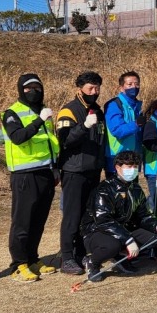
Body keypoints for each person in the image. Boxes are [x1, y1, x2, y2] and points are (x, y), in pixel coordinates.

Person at [81, 151, 157, 282]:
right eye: (129, 166)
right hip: (97, 230)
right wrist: (128, 240)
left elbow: (143, 214)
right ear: (118, 167)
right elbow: (103, 220)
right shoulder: (105, 189)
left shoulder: (136, 189)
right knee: (113, 245)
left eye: (135, 166)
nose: (133, 170)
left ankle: (120, 257)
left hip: (123, 227)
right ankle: (93, 262)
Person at [3, 73, 59, 282]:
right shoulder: (12, 113)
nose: (33, 91)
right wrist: (39, 120)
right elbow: (17, 137)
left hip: (45, 172)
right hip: (24, 175)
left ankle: (33, 258)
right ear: (20, 90)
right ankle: (18, 264)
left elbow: (49, 142)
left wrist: (54, 168)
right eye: (28, 88)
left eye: (37, 87)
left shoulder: (43, 111)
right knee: (23, 221)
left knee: (38, 220)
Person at [56, 70, 106, 275]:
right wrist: (84, 126)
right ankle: (67, 257)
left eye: (97, 88)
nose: (94, 92)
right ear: (80, 89)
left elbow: (101, 140)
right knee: (72, 215)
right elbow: (65, 140)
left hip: (93, 170)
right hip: (74, 170)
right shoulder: (68, 111)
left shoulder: (98, 110)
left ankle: (81, 251)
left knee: (88, 215)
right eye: (90, 88)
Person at [104, 71, 144, 177]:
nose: (134, 87)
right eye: (129, 84)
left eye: (136, 84)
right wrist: (136, 124)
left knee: (131, 192)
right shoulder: (114, 105)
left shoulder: (138, 106)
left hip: (133, 158)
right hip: (117, 158)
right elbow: (118, 131)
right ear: (121, 87)